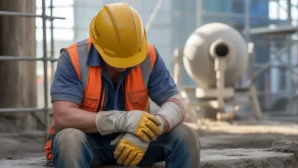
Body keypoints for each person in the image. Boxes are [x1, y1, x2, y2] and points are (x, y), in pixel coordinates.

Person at [44, 2, 200, 168]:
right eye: (115, 58)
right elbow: (63, 116)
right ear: (98, 43)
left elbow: (175, 104)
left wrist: (150, 131)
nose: (122, 65)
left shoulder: (149, 56)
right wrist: (121, 120)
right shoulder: (73, 58)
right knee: (69, 139)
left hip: (136, 144)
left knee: (186, 136)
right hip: (88, 144)